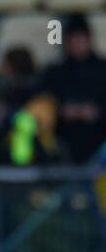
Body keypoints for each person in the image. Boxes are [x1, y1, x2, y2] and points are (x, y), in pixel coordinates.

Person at [38, 14, 106, 165]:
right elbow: (45, 101)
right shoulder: (56, 72)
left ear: (89, 39)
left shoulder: (102, 69)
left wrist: (98, 112)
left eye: (80, 38)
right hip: (64, 144)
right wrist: (62, 111)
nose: (77, 43)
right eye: (73, 39)